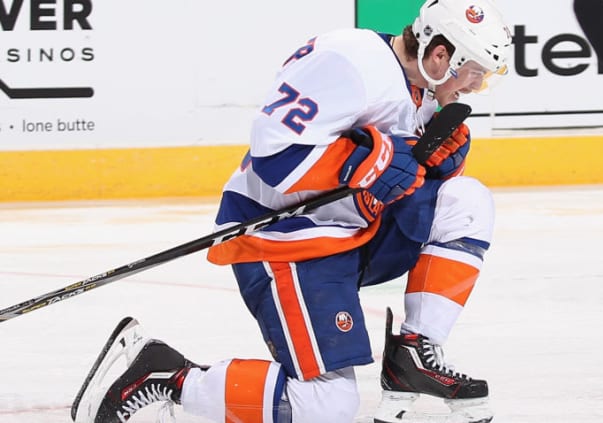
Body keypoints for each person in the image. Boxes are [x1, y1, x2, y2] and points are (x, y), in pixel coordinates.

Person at [71, 0, 512, 422]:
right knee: (326, 406)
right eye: (473, 73)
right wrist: (370, 161)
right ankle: (166, 374)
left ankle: (412, 354)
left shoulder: (426, 90)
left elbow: (399, 174)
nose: (475, 86)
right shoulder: (351, 61)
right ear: (440, 55)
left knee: (465, 201)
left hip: (351, 229)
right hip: (287, 238)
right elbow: (273, 153)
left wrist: (435, 167)